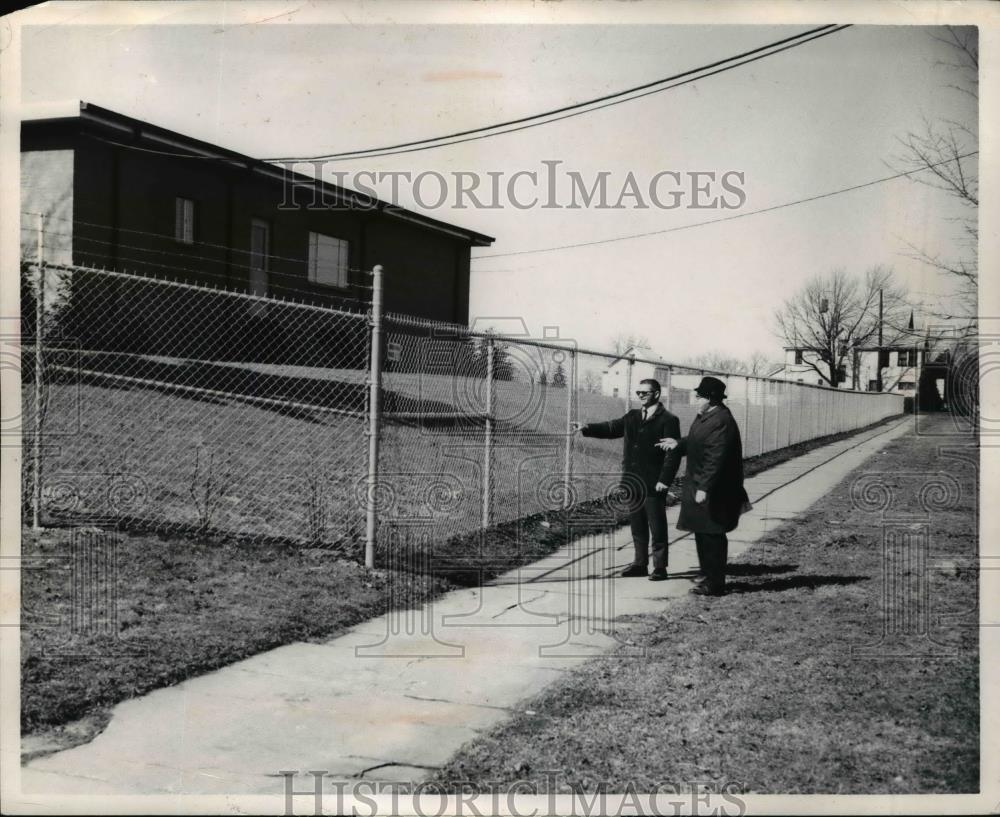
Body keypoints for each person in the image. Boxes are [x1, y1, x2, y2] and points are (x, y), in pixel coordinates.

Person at [571, 379, 681, 580]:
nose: (640, 396)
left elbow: (672, 454)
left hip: (653, 482)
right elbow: (612, 428)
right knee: (637, 525)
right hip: (632, 481)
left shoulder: (668, 420)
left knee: (657, 526)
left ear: (656, 394)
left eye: (645, 393)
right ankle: (640, 564)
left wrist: (664, 479)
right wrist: (586, 427)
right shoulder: (632, 416)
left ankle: (660, 567)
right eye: (638, 392)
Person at [657, 376, 752, 596]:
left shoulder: (721, 420)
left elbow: (715, 457)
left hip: (714, 488)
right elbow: (697, 440)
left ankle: (715, 583)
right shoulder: (706, 417)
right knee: (702, 530)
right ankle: (708, 574)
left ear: (710, 398)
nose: (695, 399)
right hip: (699, 482)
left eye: (698, 396)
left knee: (712, 534)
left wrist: (704, 488)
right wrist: (678, 444)